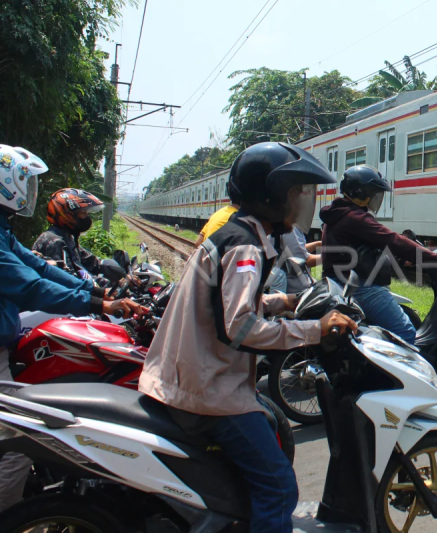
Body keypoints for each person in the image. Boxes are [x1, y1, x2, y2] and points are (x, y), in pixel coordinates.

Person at [139, 142, 357, 533]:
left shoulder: (242, 234)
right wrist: (314, 329)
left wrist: (283, 301)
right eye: (296, 193)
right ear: (270, 194)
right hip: (208, 388)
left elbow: (225, 300)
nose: (303, 202)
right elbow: (239, 328)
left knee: (271, 428)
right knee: (277, 486)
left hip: (196, 373)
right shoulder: (246, 247)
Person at [0, 143, 146, 526]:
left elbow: (41, 270)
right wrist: (98, 306)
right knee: (16, 446)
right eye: (22, 182)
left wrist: (100, 295)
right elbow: (29, 287)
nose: (27, 191)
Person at [320, 164, 437, 345]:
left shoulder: (338, 215)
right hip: (362, 287)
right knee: (406, 334)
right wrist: (436, 258)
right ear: (361, 192)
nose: (376, 199)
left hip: (343, 284)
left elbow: (366, 250)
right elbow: (392, 240)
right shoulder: (355, 218)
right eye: (373, 193)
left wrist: (402, 260)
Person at [32, 188, 105, 277]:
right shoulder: (54, 242)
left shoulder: (67, 237)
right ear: (67, 214)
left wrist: (107, 266)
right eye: (83, 213)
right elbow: (71, 277)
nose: (87, 217)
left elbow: (88, 260)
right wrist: (101, 286)